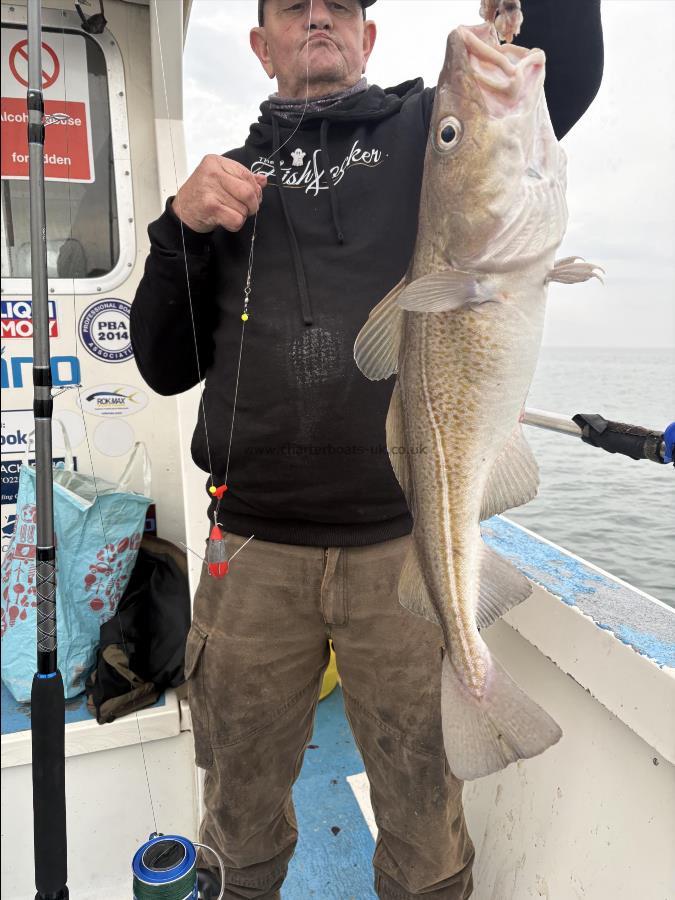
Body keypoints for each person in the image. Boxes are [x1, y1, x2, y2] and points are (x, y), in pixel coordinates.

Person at [130, 1, 603, 897]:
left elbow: (563, 70)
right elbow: (161, 366)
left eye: (339, 6)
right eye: (293, 7)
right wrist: (177, 234)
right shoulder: (226, 181)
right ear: (261, 45)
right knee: (237, 809)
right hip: (253, 554)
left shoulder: (427, 131)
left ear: (367, 37)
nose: (319, 18)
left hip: (402, 545)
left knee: (424, 817)